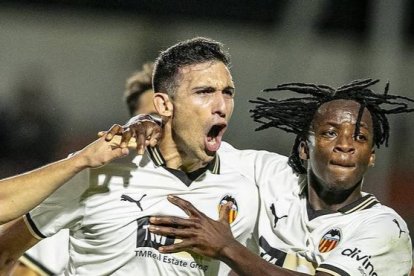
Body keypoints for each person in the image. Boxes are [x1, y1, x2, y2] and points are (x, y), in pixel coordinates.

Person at [0, 37, 262, 276]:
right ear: (164, 106)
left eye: (228, 92)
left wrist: (228, 249)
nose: (221, 106)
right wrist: (80, 160)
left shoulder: (244, 190)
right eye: (204, 92)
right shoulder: (98, 174)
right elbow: (7, 249)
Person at [147, 79, 413, 275]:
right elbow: (193, 145)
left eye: (360, 137)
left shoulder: (385, 228)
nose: (346, 145)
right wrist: (150, 124)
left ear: (371, 156)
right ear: (304, 149)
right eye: (330, 133)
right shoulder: (271, 174)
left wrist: (226, 247)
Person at [13, 63, 159, 276]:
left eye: (165, 120)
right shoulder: (90, 194)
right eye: (148, 117)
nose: (153, 128)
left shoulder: (212, 195)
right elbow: (24, 270)